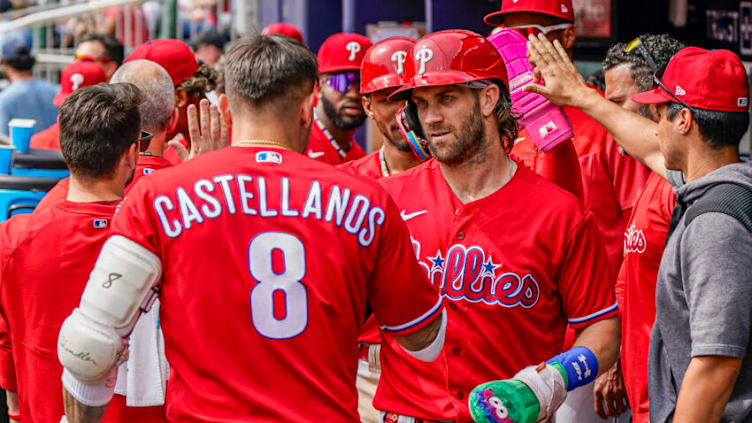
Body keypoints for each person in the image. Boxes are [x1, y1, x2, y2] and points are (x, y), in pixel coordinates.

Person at [57, 33, 445, 423]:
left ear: (224, 108)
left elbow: (90, 347)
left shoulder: (157, 196)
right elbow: (423, 339)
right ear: (308, 109)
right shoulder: (368, 199)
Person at [374, 29, 619, 423]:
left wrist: (552, 380)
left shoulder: (558, 213)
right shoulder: (384, 200)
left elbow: (602, 328)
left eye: (446, 99)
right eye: (420, 103)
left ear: (489, 98)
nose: (431, 117)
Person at [526, 35, 752, 423]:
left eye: (658, 111)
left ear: (683, 120)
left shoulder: (717, 221)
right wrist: (578, 96)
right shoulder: (709, 184)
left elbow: (715, 365)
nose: (651, 124)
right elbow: (647, 146)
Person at [0, 83, 143, 423]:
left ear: (65, 150)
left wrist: (16, 409)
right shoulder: (156, 238)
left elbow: (4, 339)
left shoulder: (13, 238)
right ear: (131, 154)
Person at [485, 0, 650, 277]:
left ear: (568, 36)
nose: (519, 44)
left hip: (600, 307)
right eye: (507, 33)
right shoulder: (502, 124)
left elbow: (639, 231)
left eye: (529, 32)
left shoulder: (606, 119)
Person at [596, 34, 683, 422]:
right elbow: (632, 282)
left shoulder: (681, 188)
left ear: (654, 100)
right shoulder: (652, 176)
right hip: (641, 399)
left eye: (616, 104)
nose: (608, 118)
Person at [123, 39, 217, 164]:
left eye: (146, 104)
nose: (141, 115)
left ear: (179, 97)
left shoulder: (239, 143)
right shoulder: (168, 154)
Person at [338, 37, 421, 179]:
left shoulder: (458, 178)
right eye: (389, 99)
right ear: (368, 107)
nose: (403, 111)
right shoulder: (346, 181)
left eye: (413, 98)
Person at [304, 32, 371, 165]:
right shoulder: (298, 142)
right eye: (341, 82)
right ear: (318, 88)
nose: (354, 94)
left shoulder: (360, 157)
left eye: (362, 84)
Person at [30, 60, 108, 150]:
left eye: (83, 107)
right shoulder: (38, 142)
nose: (76, 113)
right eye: (71, 106)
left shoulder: (38, 142)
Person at [0, 40, 58, 136]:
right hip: (57, 150)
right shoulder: (56, 90)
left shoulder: (4, 99)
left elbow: (3, 143)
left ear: (5, 65)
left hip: (24, 151)